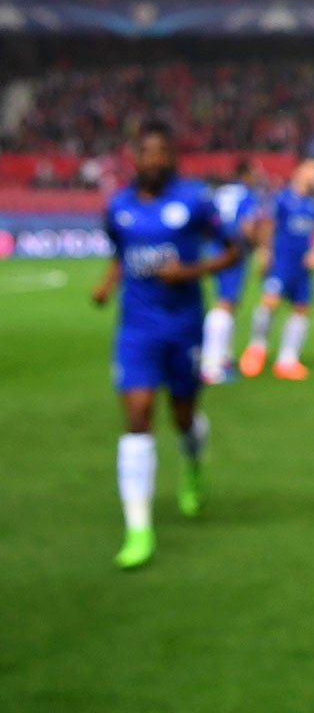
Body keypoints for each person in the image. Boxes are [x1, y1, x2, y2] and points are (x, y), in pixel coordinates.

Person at [91, 120, 241, 569]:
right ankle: (138, 529)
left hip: (183, 327)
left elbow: (234, 250)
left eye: (162, 152)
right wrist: (106, 284)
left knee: (183, 416)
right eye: (147, 152)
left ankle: (193, 465)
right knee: (137, 416)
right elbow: (120, 252)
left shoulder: (195, 199)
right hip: (136, 330)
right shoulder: (118, 206)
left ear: (172, 157)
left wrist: (189, 273)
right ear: (134, 156)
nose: (154, 160)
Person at [238, 157, 314, 380]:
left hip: (302, 266)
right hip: (281, 261)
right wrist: (264, 252)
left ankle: (287, 359)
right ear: (301, 172)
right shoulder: (281, 198)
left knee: (301, 308)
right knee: (269, 303)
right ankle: (256, 348)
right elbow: (267, 225)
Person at [200, 158, 268, 383]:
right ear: (246, 174)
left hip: (214, 248)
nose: (259, 175)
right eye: (255, 171)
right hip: (233, 250)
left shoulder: (221, 192)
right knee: (225, 302)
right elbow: (247, 226)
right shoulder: (247, 195)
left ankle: (224, 357)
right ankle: (211, 365)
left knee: (227, 302)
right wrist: (261, 247)